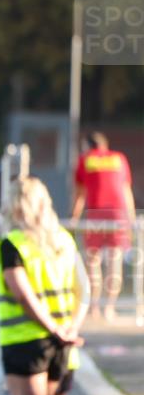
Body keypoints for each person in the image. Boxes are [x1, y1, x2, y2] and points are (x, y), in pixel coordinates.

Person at [0, 177, 87, 395]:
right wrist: (70, 329)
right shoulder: (63, 240)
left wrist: (52, 328)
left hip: (27, 341)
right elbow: (84, 291)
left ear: (16, 206)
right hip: (64, 344)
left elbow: (23, 295)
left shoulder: (14, 244)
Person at [71, 131, 136, 322]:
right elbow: (126, 191)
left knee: (93, 262)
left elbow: (80, 195)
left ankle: (94, 309)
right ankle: (109, 308)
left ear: (88, 146)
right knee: (115, 262)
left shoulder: (86, 160)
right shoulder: (119, 158)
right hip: (118, 215)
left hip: (96, 214)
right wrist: (130, 220)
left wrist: (73, 219)